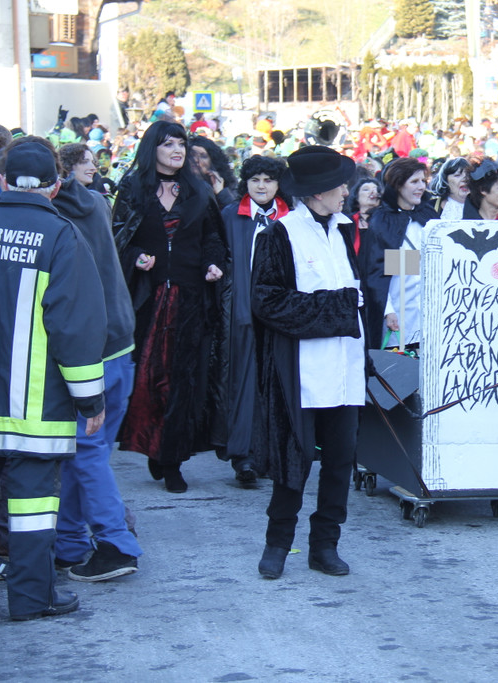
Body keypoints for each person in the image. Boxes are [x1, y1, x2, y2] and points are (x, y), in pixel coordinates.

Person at [0, 142, 107, 619]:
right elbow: (75, 327)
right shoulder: (61, 236)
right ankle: (32, 597)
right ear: (56, 186)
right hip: (33, 409)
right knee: (32, 506)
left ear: (1, 181)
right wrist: (90, 399)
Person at [250, 146, 367, 579]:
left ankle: (325, 545)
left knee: (339, 462)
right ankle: (278, 543)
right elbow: (266, 302)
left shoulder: (345, 230)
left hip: (345, 368)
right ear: (318, 192)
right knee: (292, 462)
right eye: (340, 186)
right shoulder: (279, 234)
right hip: (300, 371)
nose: (346, 192)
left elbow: (359, 295)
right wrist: (337, 308)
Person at [112, 120, 226, 494]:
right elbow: (118, 238)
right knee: (147, 379)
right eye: (168, 144)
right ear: (153, 149)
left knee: (183, 379)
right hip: (148, 298)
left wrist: (213, 263)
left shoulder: (198, 189)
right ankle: (153, 445)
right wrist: (136, 257)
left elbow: (213, 237)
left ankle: (172, 458)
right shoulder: (133, 188)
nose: (177, 151)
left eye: (181, 144)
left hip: (190, 298)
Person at [217, 155, 290, 488]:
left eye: (268, 180)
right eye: (255, 180)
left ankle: (275, 455)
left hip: (281, 315)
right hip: (242, 313)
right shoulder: (230, 216)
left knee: (279, 386)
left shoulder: (291, 217)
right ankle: (244, 456)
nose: (262, 186)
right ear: (245, 183)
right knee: (243, 385)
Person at [365, 157, 437, 349]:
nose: (421, 187)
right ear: (398, 185)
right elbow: (377, 274)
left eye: (423, 181)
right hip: (399, 317)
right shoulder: (382, 221)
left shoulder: (429, 217)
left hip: (431, 316)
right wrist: (388, 311)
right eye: (414, 181)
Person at [346, 176, 383, 254]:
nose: (372, 191)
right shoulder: (346, 222)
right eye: (366, 189)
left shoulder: (388, 220)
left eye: (375, 189)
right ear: (356, 197)